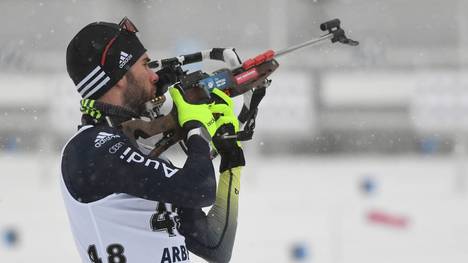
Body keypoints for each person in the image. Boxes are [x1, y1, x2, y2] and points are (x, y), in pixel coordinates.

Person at [61, 17, 245, 263]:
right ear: (120, 76)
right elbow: (199, 188)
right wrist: (194, 127)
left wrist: (231, 156)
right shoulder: (91, 148)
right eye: (145, 65)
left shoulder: (137, 150)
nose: (154, 76)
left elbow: (215, 245)